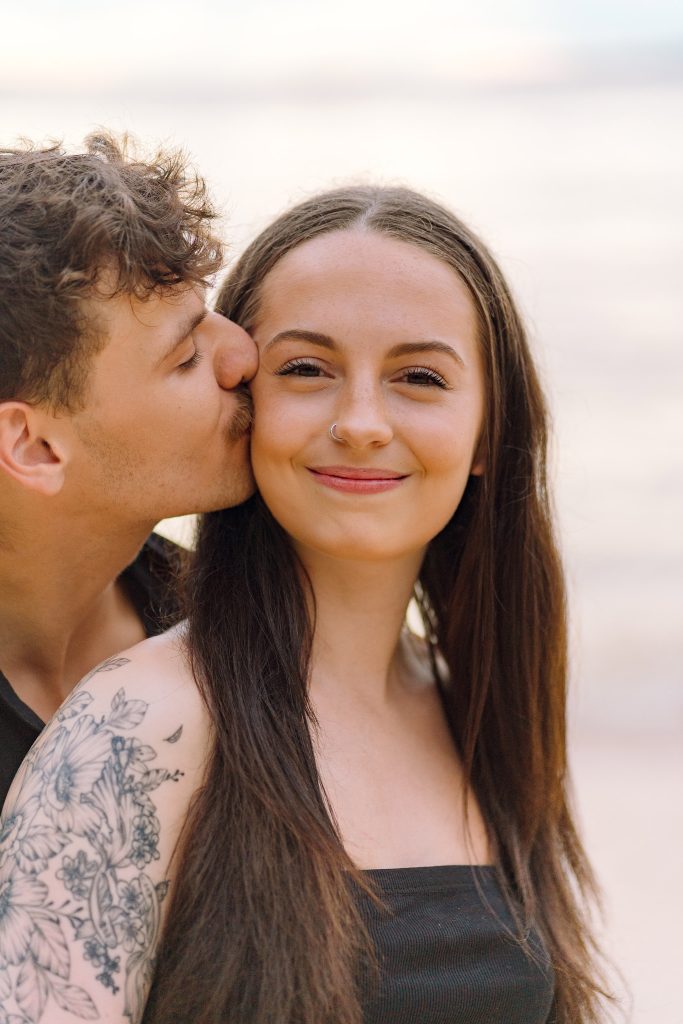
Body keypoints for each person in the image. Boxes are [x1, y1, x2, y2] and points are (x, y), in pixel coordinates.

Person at [0, 187, 610, 1024]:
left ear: (488, 432)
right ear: (245, 400)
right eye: (305, 370)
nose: (360, 422)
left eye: (420, 377)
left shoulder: (475, 703)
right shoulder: (135, 724)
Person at [0, 133, 257, 808]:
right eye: (185, 357)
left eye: (212, 315)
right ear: (34, 447)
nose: (243, 354)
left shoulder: (230, 616)